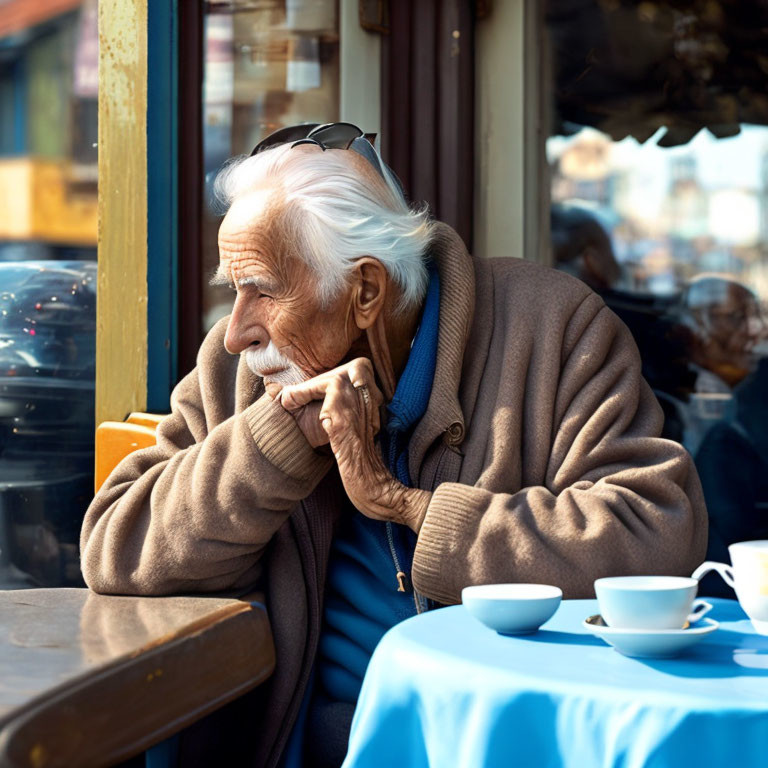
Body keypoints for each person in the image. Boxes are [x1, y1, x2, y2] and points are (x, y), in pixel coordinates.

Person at [81, 123, 707, 768]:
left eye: (262, 290)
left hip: (508, 744)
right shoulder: (238, 369)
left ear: (367, 290)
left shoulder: (553, 327)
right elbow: (115, 546)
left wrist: (409, 506)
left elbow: (655, 532)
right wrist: (274, 445)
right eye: (231, 292)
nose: (237, 331)